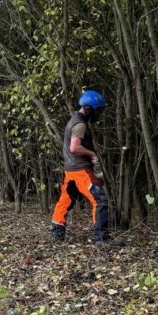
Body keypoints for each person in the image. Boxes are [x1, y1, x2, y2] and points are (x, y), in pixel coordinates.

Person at [50, 90, 110, 245]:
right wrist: (92, 155)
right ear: (90, 109)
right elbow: (74, 147)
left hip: (70, 170)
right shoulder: (80, 124)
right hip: (81, 170)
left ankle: (57, 235)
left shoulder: (74, 120)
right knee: (100, 200)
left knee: (66, 200)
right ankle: (101, 239)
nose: (99, 115)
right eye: (98, 111)